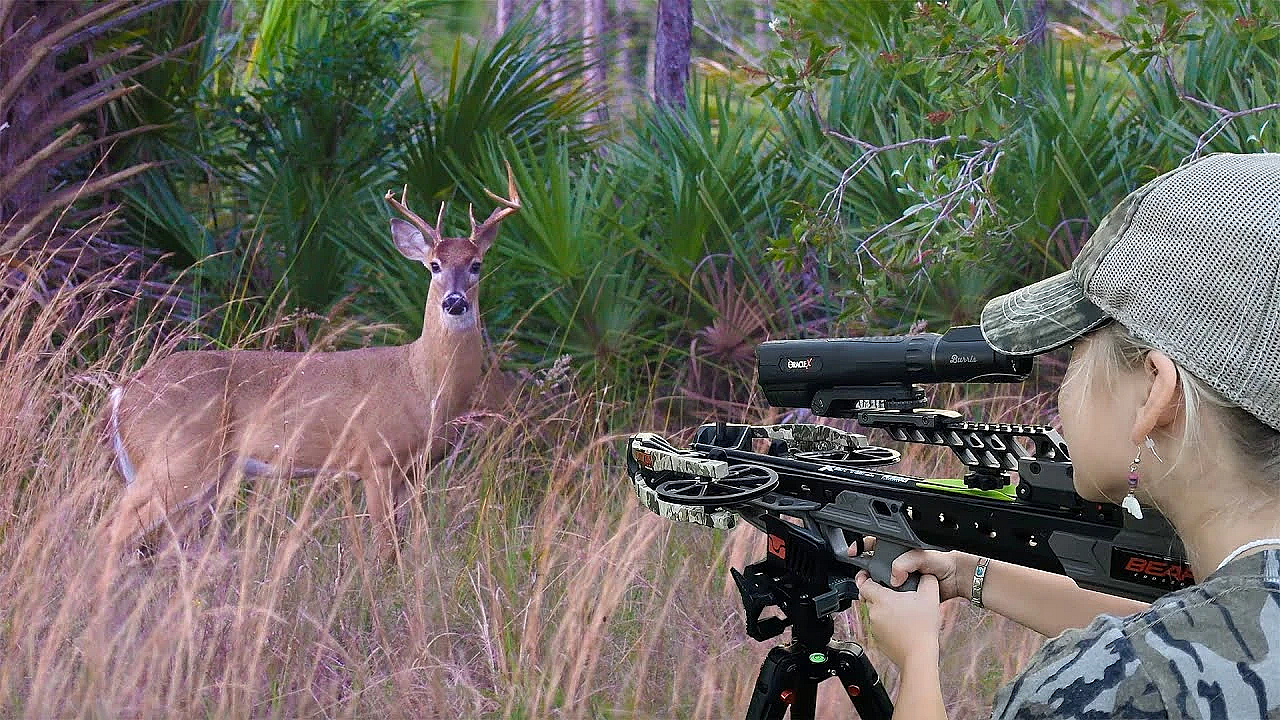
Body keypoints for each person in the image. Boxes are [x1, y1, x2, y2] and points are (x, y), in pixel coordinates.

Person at [850, 152, 1280, 719]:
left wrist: (917, 660)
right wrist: (975, 575)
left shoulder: (1108, 691)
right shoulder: (1174, 659)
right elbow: (1221, 637)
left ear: (1156, 392)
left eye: (1073, 355)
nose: (1062, 394)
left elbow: (1157, 664)